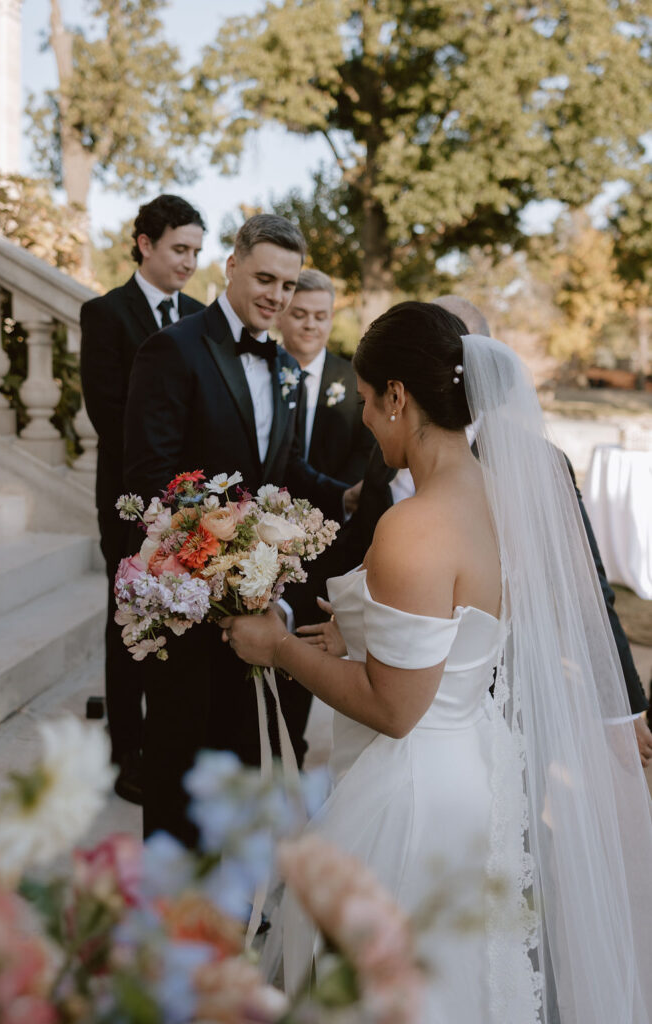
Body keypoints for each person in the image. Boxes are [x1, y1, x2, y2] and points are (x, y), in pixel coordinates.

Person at [222, 302, 652, 1022]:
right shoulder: (500, 496)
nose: (360, 418)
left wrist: (278, 647)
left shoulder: (413, 527)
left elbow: (393, 708)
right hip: (478, 768)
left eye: (365, 401)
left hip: (418, 787)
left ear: (398, 397)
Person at [312, 293, 652, 767]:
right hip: (403, 727)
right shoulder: (388, 448)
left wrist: (620, 710)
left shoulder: (534, 466)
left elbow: (586, 586)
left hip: (499, 707)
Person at [123, 213, 351, 844]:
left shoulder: (279, 362)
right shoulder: (172, 349)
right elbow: (150, 480)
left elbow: (280, 468)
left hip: (251, 609)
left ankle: (230, 910)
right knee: (177, 763)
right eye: (265, 278)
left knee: (240, 758)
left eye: (287, 283)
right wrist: (214, 561)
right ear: (231, 266)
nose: (276, 295)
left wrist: (344, 495)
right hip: (187, 605)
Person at [80, 194, 205, 803]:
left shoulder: (202, 316)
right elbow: (108, 413)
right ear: (144, 243)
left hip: (192, 503)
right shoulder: (105, 315)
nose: (189, 262)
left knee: (181, 615)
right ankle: (125, 749)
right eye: (180, 249)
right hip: (127, 499)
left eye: (197, 252)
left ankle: (171, 738)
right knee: (127, 617)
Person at [277, 269, 373, 483]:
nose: (310, 325)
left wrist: (336, 498)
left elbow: (366, 450)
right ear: (279, 317)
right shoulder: (260, 371)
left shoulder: (356, 380)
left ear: (331, 319)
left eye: (320, 317)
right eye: (299, 315)